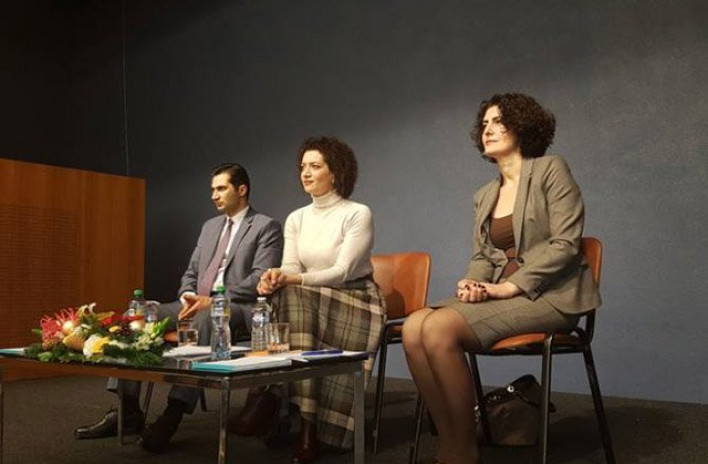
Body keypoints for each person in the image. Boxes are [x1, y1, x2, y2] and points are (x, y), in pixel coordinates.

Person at [402, 93, 601, 464]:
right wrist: (473, 283)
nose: (488, 130)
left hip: (550, 296)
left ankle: (462, 452)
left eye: (498, 121)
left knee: (439, 328)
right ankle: (451, 442)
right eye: (484, 124)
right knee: (414, 327)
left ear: (523, 126)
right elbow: (483, 257)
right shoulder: (485, 195)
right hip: (502, 295)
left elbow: (566, 243)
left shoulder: (550, 170)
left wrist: (511, 286)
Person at [74, 163, 283, 453]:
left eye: (221, 188)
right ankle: (128, 409)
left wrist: (215, 299)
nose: (214, 195)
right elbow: (191, 272)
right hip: (193, 304)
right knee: (136, 315)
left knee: (209, 317)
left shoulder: (265, 226)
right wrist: (187, 294)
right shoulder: (210, 227)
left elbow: (260, 278)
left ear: (242, 189)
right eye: (212, 189)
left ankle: (173, 413)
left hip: (235, 308)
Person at [235, 136, 386, 464]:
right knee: (285, 294)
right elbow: (291, 267)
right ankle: (306, 426)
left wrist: (291, 280)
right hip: (308, 299)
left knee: (291, 296)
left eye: (315, 166)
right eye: (303, 166)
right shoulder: (296, 218)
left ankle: (269, 396)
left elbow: (342, 272)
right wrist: (275, 276)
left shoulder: (357, 213)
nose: (305, 173)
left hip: (355, 297)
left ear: (336, 172)